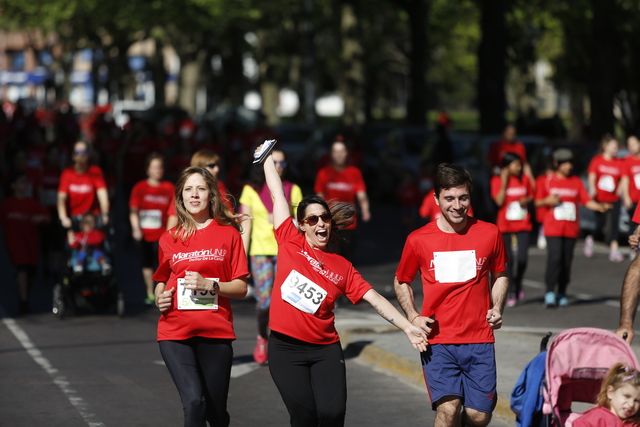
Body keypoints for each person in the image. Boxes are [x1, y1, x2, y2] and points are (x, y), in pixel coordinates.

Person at [256, 141, 427, 427]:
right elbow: (278, 195)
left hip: (325, 349)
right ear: (302, 225)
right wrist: (265, 159)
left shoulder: (342, 266)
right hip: (286, 349)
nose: (320, 223)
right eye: (312, 219)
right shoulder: (289, 239)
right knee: (304, 416)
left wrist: (408, 326)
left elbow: (375, 299)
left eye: (324, 218)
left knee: (333, 415)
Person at [394, 163, 509, 427]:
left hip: (479, 338)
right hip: (438, 341)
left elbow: (500, 274)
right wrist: (413, 316)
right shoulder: (418, 239)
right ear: (435, 199)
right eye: (449, 198)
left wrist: (498, 307)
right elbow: (402, 280)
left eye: (463, 197)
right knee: (448, 410)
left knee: (479, 416)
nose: (457, 205)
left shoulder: (490, 233)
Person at [153, 166, 248, 427]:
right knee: (194, 403)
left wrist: (210, 284)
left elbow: (241, 287)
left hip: (215, 331)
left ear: (211, 196)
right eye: (188, 189)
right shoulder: (168, 239)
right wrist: (159, 298)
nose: (194, 195)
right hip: (175, 332)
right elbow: (161, 279)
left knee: (216, 414)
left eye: (201, 189)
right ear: (180, 197)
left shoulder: (229, 234)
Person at [239, 148, 303, 364]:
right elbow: (245, 225)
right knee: (264, 302)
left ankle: (283, 343)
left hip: (286, 252)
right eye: (275, 162)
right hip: (259, 253)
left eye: (283, 164)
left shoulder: (293, 189)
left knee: (287, 300)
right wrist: (240, 259)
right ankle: (261, 336)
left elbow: (302, 224)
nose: (279, 167)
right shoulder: (250, 189)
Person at [535, 148, 612, 308]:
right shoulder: (546, 180)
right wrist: (547, 200)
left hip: (570, 229)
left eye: (571, 163)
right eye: (565, 163)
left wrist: (599, 207)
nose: (569, 166)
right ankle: (550, 292)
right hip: (553, 227)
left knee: (566, 261)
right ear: (556, 163)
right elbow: (535, 202)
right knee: (555, 259)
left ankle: (562, 292)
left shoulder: (576, 181)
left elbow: (585, 200)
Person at [0, 172, 50, 314]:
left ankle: (25, 292)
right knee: (21, 268)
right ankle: (23, 300)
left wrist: (40, 218)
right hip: (14, 242)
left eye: (26, 182)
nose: (25, 185)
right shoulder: (7, 204)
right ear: (13, 186)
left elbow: (47, 217)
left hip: (31, 242)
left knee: (31, 271)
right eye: (22, 182)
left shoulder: (32, 203)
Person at [314, 137, 371, 263]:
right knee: (330, 259)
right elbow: (319, 196)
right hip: (330, 223)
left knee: (348, 260)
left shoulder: (354, 172)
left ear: (347, 153)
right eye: (336, 151)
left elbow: (361, 194)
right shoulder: (324, 173)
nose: (339, 155)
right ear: (331, 154)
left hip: (349, 224)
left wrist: (365, 209)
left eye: (342, 151)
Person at [129, 153, 174, 305]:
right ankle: (150, 291)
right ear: (148, 169)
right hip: (145, 234)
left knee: (163, 264)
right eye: (154, 167)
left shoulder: (169, 188)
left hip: (163, 234)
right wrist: (136, 229)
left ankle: (162, 291)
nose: (158, 170)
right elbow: (133, 211)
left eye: (160, 167)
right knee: (147, 263)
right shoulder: (139, 188)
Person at [490, 152, 534, 307]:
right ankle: (513, 290)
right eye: (516, 164)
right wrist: (504, 182)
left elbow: (531, 195)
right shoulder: (497, 180)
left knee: (522, 259)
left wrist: (526, 200)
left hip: (523, 224)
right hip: (505, 226)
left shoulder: (525, 179)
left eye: (520, 164)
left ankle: (519, 283)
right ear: (506, 167)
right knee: (510, 261)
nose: (519, 167)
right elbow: (499, 201)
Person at [165, 149, 232, 230]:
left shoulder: (220, 185)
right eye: (211, 166)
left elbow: (230, 217)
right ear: (199, 167)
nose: (217, 169)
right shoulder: (185, 189)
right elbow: (172, 224)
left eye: (217, 165)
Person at [585, 134, 624, 262]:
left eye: (617, 147)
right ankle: (591, 239)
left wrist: (621, 189)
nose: (615, 149)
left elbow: (624, 178)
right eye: (613, 146)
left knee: (614, 224)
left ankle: (614, 249)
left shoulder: (619, 162)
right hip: (600, 197)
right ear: (605, 146)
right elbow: (592, 175)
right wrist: (592, 188)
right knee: (599, 224)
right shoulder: (597, 160)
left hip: (614, 198)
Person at [57, 140, 110, 230]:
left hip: (92, 218)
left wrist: (105, 214)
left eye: (84, 151)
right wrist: (63, 218)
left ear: (88, 155)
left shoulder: (95, 171)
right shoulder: (67, 173)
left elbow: (103, 196)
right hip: (73, 219)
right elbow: (61, 198)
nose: (81, 154)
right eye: (78, 152)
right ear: (73, 156)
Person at [573, 363, 640, 427]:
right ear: (610, 392)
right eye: (627, 396)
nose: (631, 404)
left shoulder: (635, 423)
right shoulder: (596, 417)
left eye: (637, 400)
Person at [621, 135, 640, 260]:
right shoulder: (628, 160)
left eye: (634, 143)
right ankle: (634, 249)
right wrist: (626, 196)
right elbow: (625, 179)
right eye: (629, 145)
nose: (631, 147)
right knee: (633, 225)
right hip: (633, 199)